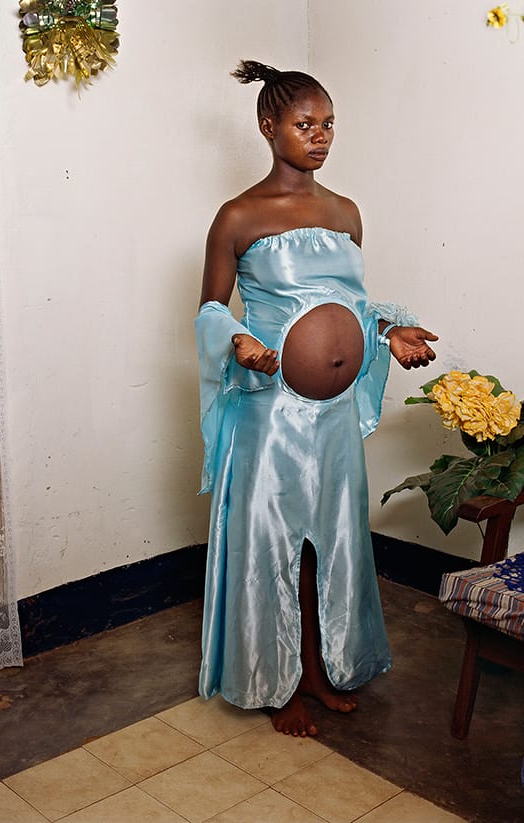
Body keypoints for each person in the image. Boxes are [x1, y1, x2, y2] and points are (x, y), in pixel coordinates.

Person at [195, 60, 438, 738]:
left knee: (329, 546)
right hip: (272, 412)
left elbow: (351, 306)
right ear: (268, 127)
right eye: (305, 125)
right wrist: (239, 340)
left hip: (330, 416)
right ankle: (278, 683)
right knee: (274, 547)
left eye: (328, 125)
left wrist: (391, 331)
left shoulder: (345, 212)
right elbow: (210, 310)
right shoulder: (239, 215)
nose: (320, 137)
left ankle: (322, 665)